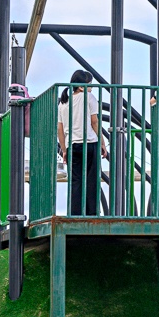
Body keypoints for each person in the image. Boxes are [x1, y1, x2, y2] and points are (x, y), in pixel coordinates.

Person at [57, 70, 106, 216]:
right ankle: (91, 214)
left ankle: (75, 213)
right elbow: (94, 121)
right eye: (89, 83)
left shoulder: (63, 103)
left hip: (72, 146)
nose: (91, 86)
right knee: (91, 179)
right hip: (89, 143)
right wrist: (102, 143)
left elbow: (60, 128)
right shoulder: (89, 97)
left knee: (76, 181)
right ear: (80, 86)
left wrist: (64, 150)